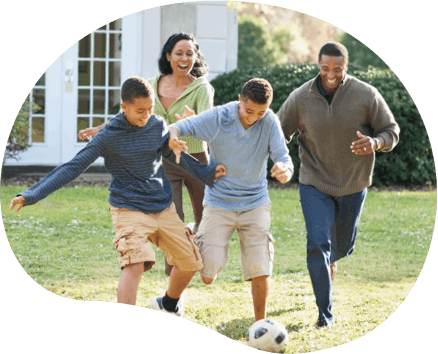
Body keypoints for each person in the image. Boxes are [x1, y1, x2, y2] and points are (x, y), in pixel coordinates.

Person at [10, 76, 226, 317]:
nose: (146, 116)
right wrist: (31, 194)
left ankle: (167, 304)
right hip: (129, 209)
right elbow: (73, 166)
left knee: (190, 262)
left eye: (150, 109)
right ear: (124, 107)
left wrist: (207, 174)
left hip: (162, 207)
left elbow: (176, 157)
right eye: (140, 111)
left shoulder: (156, 125)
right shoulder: (109, 135)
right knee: (135, 262)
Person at [277, 42, 400, 329]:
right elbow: (278, 131)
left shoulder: (366, 94)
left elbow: (391, 130)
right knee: (317, 244)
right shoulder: (300, 97)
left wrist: (375, 142)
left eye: (337, 69)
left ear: (346, 67)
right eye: (325, 69)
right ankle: (324, 314)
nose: (330, 75)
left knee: (341, 246)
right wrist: (280, 158)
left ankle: (332, 259)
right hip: (314, 181)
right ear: (318, 67)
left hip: (353, 183)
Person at [79, 33, 214, 277]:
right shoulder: (152, 84)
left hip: (195, 159)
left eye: (190, 54)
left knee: (205, 216)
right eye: (179, 53)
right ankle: (174, 276)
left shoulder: (202, 88)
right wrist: (102, 128)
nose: (184, 58)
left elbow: (208, 125)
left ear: (195, 57)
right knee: (173, 219)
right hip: (166, 160)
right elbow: (133, 113)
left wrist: (191, 122)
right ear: (168, 56)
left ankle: (203, 261)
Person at [168, 78, 294, 322]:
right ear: (239, 100)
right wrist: (173, 138)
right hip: (219, 203)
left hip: (255, 203)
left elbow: (283, 157)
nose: (254, 117)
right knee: (207, 275)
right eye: (249, 111)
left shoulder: (268, 122)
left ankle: (260, 324)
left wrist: (285, 171)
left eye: (260, 112)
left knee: (260, 266)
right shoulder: (219, 117)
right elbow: (178, 128)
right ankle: (197, 232)